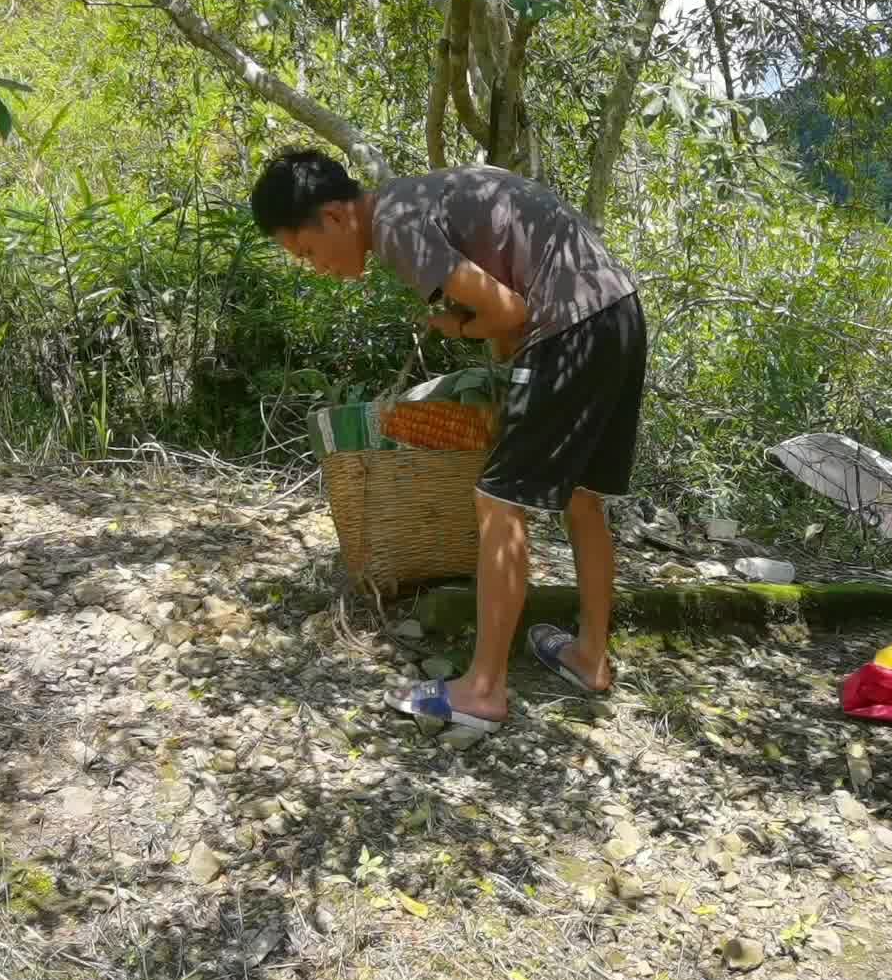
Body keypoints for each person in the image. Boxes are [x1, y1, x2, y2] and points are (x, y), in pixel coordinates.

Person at [250, 147, 647, 737]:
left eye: (307, 252)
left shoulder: (395, 226)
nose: (316, 266)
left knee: (498, 500)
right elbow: (511, 306)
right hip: (618, 312)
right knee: (582, 497)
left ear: (335, 216)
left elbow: (510, 312)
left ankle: (483, 690)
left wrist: (458, 326)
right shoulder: (421, 196)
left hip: (569, 329)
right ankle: (590, 657)